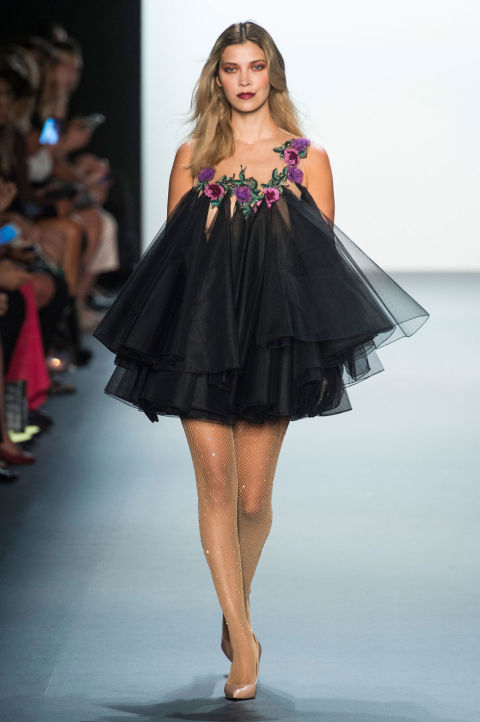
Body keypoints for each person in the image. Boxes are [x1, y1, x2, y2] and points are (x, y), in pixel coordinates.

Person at [92, 21, 430, 700]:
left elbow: (319, 265)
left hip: (270, 341)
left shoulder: (308, 158)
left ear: (272, 72)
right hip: (199, 340)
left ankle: (234, 608)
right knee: (215, 484)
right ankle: (244, 644)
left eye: (254, 66)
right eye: (230, 68)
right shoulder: (194, 156)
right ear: (216, 78)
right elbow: (174, 261)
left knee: (252, 497)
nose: (244, 80)